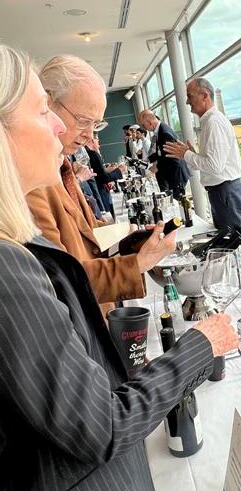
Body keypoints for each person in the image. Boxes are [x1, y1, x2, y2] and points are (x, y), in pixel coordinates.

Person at [0, 44, 239, 491]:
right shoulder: (8, 267)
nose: (61, 129)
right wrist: (200, 346)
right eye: (43, 111)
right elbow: (102, 424)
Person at [26, 56, 163, 312]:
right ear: (46, 105)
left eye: (96, 124)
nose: (90, 135)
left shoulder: (62, 167)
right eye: (83, 121)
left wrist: (131, 235)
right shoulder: (32, 182)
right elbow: (60, 281)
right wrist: (138, 264)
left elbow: (86, 232)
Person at [163, 78, 241, 232]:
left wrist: (187, 154)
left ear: (205, 95)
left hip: (225, 192)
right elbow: (209, 164)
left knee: (231, 240)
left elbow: (214, 166)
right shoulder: (209, 122)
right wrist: (190, 154)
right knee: (226, 238)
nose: (187, 101)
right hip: (222, 192)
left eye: (190, 96)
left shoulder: (214, 122)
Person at [138, 109, 190, 199]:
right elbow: (160, 153)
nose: (144, 128)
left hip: (176, 174)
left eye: (143, 124)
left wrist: (156, 167)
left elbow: (170, 156)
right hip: (172, 172)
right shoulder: (160, 130)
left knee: (177, 201)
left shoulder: (164, 132)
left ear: (150, 122)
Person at [85, 134, 127, 219]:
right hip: (100, 193)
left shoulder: (88, 153)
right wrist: (119, 170)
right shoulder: (93, 154)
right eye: (97, 140)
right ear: (92, 140)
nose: (99, 143)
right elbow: (103, 178)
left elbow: (99, 173)